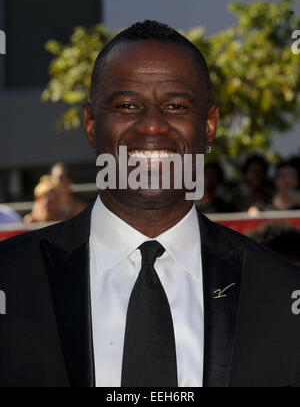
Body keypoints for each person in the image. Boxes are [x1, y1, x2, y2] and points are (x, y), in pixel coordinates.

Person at [1, 20, 300, 388]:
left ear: (209, 126)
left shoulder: (281, 293)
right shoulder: (10, 281)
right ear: (92, 124)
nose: (153, 126)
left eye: (175, 105)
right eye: (127, 105)